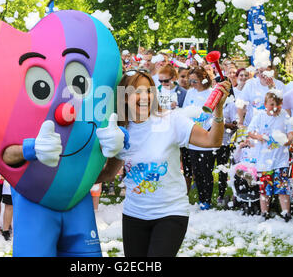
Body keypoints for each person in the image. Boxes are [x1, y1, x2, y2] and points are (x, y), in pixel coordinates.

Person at [96, 70, 230, 257]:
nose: (145, 96)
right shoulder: (121, 131)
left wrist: (218, 110)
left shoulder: (171, 120)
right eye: (137, 91)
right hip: (134, 214)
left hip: (170, 213)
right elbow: (109, 174)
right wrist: (75, 182)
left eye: (148, 90)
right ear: (124, 98)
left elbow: (211, 141)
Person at [247, 91, 293, 221]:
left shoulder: (284, 115)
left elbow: (291, 132)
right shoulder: (260, 116)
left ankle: (286, 213)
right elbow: (250, 131)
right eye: (272, 104)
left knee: (282, 188)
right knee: (264, 189)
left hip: (281, 159)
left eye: (278, 104)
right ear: (265, 105)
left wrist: (288, 140)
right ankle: (264, 213)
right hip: (264, 160)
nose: (275, 107)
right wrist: (259, 137)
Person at [181, 67, 217, 209]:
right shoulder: (190, 92)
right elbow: (185, 111)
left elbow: (215, 115)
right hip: (192, 135)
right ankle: (200, 197)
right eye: (190, 81)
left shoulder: (211, 94)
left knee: (205, 169)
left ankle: (206, 199)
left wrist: (206, 129)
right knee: (196, 169)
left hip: (206, 135)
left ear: (203, 79)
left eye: (195, 80)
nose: (192, 83)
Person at [237, 62, 286, 127]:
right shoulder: (251, 83)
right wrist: (240, 122)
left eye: (266, 71)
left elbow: (283, 106)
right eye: (261, 71)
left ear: (272, 71)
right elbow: (240, 103)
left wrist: (273, 88)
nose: (263, 74)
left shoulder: (279, 85)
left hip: (272, 125)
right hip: (252, 125)